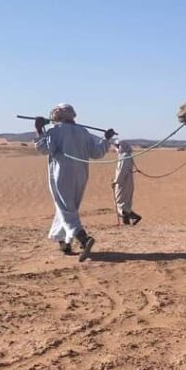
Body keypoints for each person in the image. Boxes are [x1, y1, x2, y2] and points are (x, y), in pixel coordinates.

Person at [34, 104, 115, 261]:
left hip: (62, 174)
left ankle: (82, 237)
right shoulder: (84, 133)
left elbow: (44, 149)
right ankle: (64, 242)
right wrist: (106, 139)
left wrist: (39, 130)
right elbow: (97, 153)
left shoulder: (55, 132)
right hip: (81, 175)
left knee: (65, 206)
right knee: (67, 207)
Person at [112, 140, 142, 226]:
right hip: (126, 181)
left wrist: (115, 181)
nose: (117, 148)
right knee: (124, 202)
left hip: (123, 182)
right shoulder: (126, 156)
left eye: (118, 146)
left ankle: (127, 222)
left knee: (120, 202)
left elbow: (122, 171)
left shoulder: (124, 157)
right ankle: (131, 220)